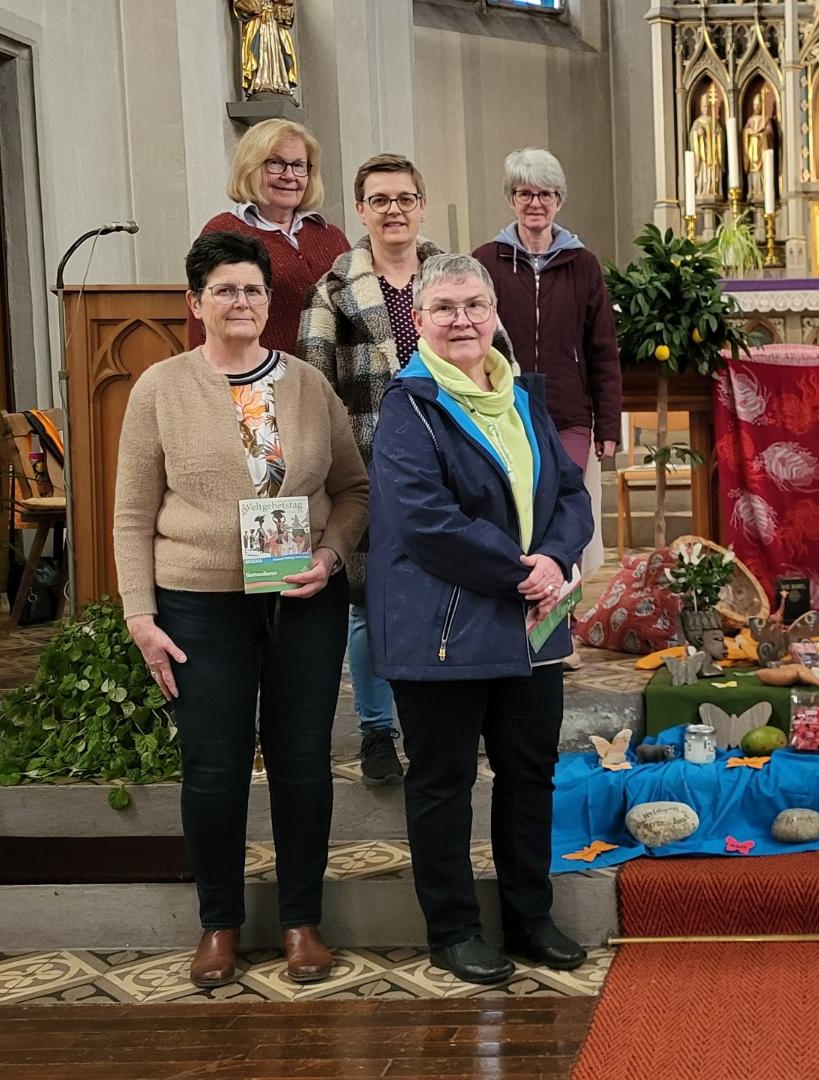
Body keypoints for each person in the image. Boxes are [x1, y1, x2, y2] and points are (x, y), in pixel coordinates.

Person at [115, 231, 369, 988]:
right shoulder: (159, 388)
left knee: (300, 764)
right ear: (195, 304)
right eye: (224, 290)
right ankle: (219, 926)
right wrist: (139, 615)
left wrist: (329, 556)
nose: (241, 302)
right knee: (214, 768)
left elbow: (354, 490)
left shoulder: (307, 385)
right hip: (199, 604)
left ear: (269, 302)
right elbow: (131, 512)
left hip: (301, 599)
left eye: (253, 290)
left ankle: (301, 924)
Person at [367, 252, 594, 984]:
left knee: (530, 774)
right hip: (446, 626)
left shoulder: (523, 397)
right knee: (444, 781)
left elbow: (569, 494)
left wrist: (557, 557)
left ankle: (530, 916)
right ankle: (455, 929)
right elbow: (425, 522)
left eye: (472, 306)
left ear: (494, 314)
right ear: (421, 322)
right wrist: (522, 571)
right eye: (444, 308)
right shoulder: (409, 406)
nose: (461, 320)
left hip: (532, 622)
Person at [299, 153, 507, 786]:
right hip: (367, 465)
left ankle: (451, 709)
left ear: (421, 205)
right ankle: (376, 730)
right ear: (360, 212)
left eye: (405, 198)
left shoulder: (453, 276)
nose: (394, 210)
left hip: (455, 463)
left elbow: (495, 361)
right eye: (380, 200)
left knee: (456, 581)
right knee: (369, 601)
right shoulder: (334, 288)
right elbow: (315, 386)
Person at [473, 148, 619, 584]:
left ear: (559, 200)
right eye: (524, 193)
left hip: (569, 413)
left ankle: (562, 615)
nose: (535, 203)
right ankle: (521, 609)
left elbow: (603, 349)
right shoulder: (486, 259)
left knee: (561, 508)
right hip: (505, 408)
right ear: (511, 198)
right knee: (517, 508)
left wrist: (608, 426)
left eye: (545, 193)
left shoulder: (583, 264)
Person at [187, 118, 351, 354]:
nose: (289, 175)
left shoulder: (331, 236)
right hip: (256, 380)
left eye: (299, 165)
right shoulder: (223, 231)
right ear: (250, 167)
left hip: (328, 381)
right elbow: (202, 323)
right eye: (275, 163)